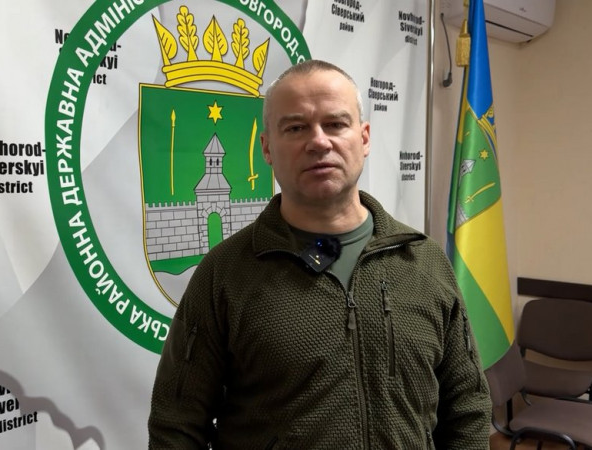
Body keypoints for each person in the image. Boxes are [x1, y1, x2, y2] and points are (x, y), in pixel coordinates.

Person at [148, 59, 491, 449]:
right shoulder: (224, 273)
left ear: (364, 138)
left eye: (335, 124)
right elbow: (176, 424)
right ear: (267, 147)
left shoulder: (424, 262)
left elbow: (468, 407)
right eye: (296, 128)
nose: (319, 142)